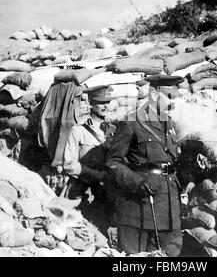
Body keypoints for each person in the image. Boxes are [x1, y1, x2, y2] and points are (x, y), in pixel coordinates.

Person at [105, 76, 183, 257]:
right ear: (154, 95)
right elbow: (113, 162)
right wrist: (135, 181)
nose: (174, 102)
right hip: (139, 207)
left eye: (176, 98)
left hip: (169, 207)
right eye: (170, 97)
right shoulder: (132, 122)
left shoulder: (169, 124)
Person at [62, 88, 116, 232]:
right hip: (85, 187)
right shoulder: (78, 130)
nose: (105, 106)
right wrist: (95, 175)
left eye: (107, 102)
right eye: (101, 103)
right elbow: (69, 164)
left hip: (108, 188)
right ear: (91, 104)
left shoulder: (114, 130)